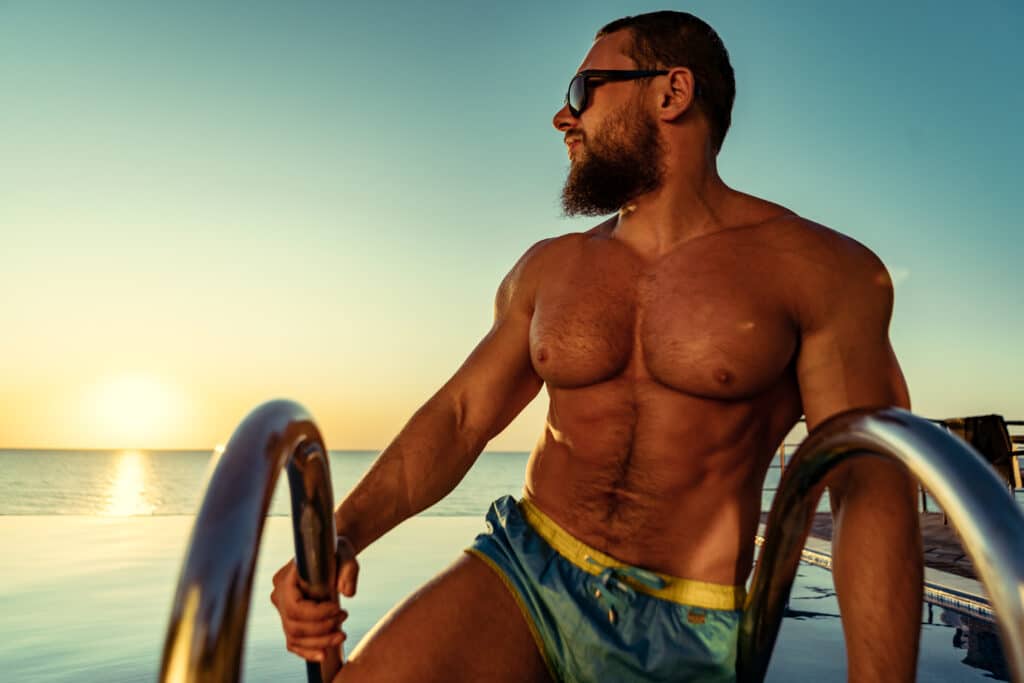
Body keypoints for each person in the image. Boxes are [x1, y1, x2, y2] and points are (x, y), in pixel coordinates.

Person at [271, 10, 923, 682]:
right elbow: (461, 416)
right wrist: (338, 533)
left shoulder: (819, 270)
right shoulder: (549, 268)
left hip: (686, 622)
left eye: (585, 91)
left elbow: (867, 490)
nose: (562, 116)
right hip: (525, 569)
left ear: (671, 93)